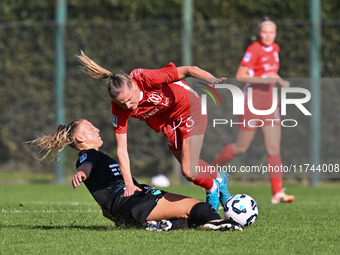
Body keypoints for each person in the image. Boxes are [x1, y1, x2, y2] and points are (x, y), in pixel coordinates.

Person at [76, 51, 230, 211]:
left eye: (128, 100)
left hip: (190, 108)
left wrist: (211, 79)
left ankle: (212, 187)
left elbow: (188, 70)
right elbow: (121, 149)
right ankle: (219, 177)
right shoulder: (119, 109)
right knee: (190, 168)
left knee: (188, 170)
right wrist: (128, 183)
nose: (128, 106)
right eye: (122, 103)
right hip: (169, 123)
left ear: (134, 86)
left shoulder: (146, 78)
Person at [31, 119, 243, 231]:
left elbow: (106, 209)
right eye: (90, 127)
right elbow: (86, 166)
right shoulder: (89, 155)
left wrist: (119, 218)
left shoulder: (95, 158)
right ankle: (220, 223)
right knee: (199, 208)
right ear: (79, 137)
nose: (97, 129)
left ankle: (160, 226)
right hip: (136, 200)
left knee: (186, 220)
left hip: (126, 210)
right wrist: (81, 172)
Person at [212, 17, 295, 204]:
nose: (268, 35)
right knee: (241, 147)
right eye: (264, 32)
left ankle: (278, 193)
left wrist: (277, 82)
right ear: (259, 34)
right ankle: (210, 170)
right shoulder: (253, 49)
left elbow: (270, 73)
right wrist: (268, 80)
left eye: (271, 32)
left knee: (274, 148)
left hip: (270, 104)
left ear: (275, 34)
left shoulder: (275, 49)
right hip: (251, 103)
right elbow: (241, 76)